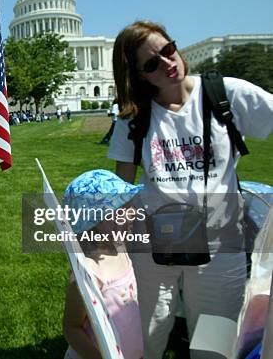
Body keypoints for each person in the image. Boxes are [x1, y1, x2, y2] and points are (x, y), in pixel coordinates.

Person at [107, 20, 273, 358]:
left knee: (213, 345)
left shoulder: (225, 94)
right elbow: (121, 188)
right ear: (138, 75)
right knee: (145, 339)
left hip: (219, 245)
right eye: (152, 64)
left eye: (168, 50)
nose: (168, 64)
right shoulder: (133, 117)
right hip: (155, 245)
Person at [62, 169, 144, 359]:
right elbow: (71, 327)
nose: (132, 213)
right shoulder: (89, 273)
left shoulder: (120, 248)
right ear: (94, 220)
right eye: (121, 210)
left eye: (129, 205)